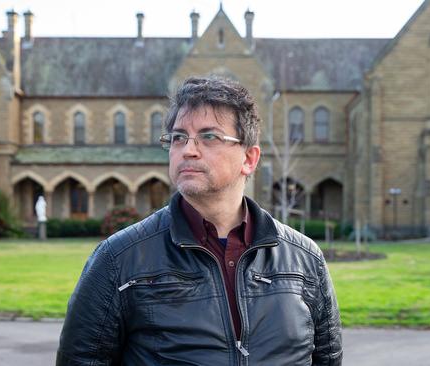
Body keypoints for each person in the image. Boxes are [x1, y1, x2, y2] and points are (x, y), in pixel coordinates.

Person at [56, 76, 342, 365]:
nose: (188, 150)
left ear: (249, 159)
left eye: (209, 137)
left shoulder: (305, 260)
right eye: (179, 137)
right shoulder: (119, 259)